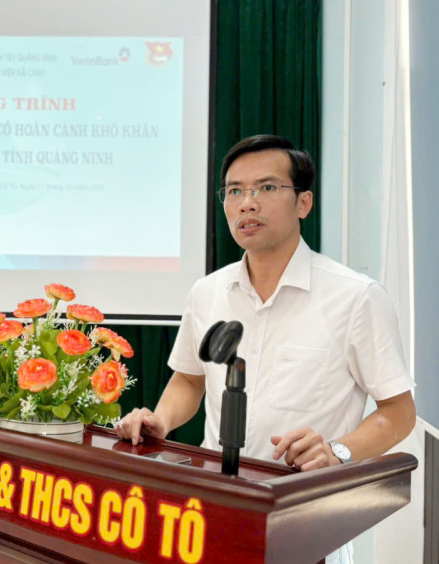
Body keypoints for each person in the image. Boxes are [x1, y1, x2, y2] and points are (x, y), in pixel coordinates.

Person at [114, 134, 416, 564]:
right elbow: (189, 380)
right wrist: (161, 420)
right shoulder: (207, 292)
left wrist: (337, 452)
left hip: (305, 521)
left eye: (266, 188)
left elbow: (398, 412)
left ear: (304, 203)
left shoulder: (356, 297)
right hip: (212, 509)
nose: (247, 203)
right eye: (235, 191)